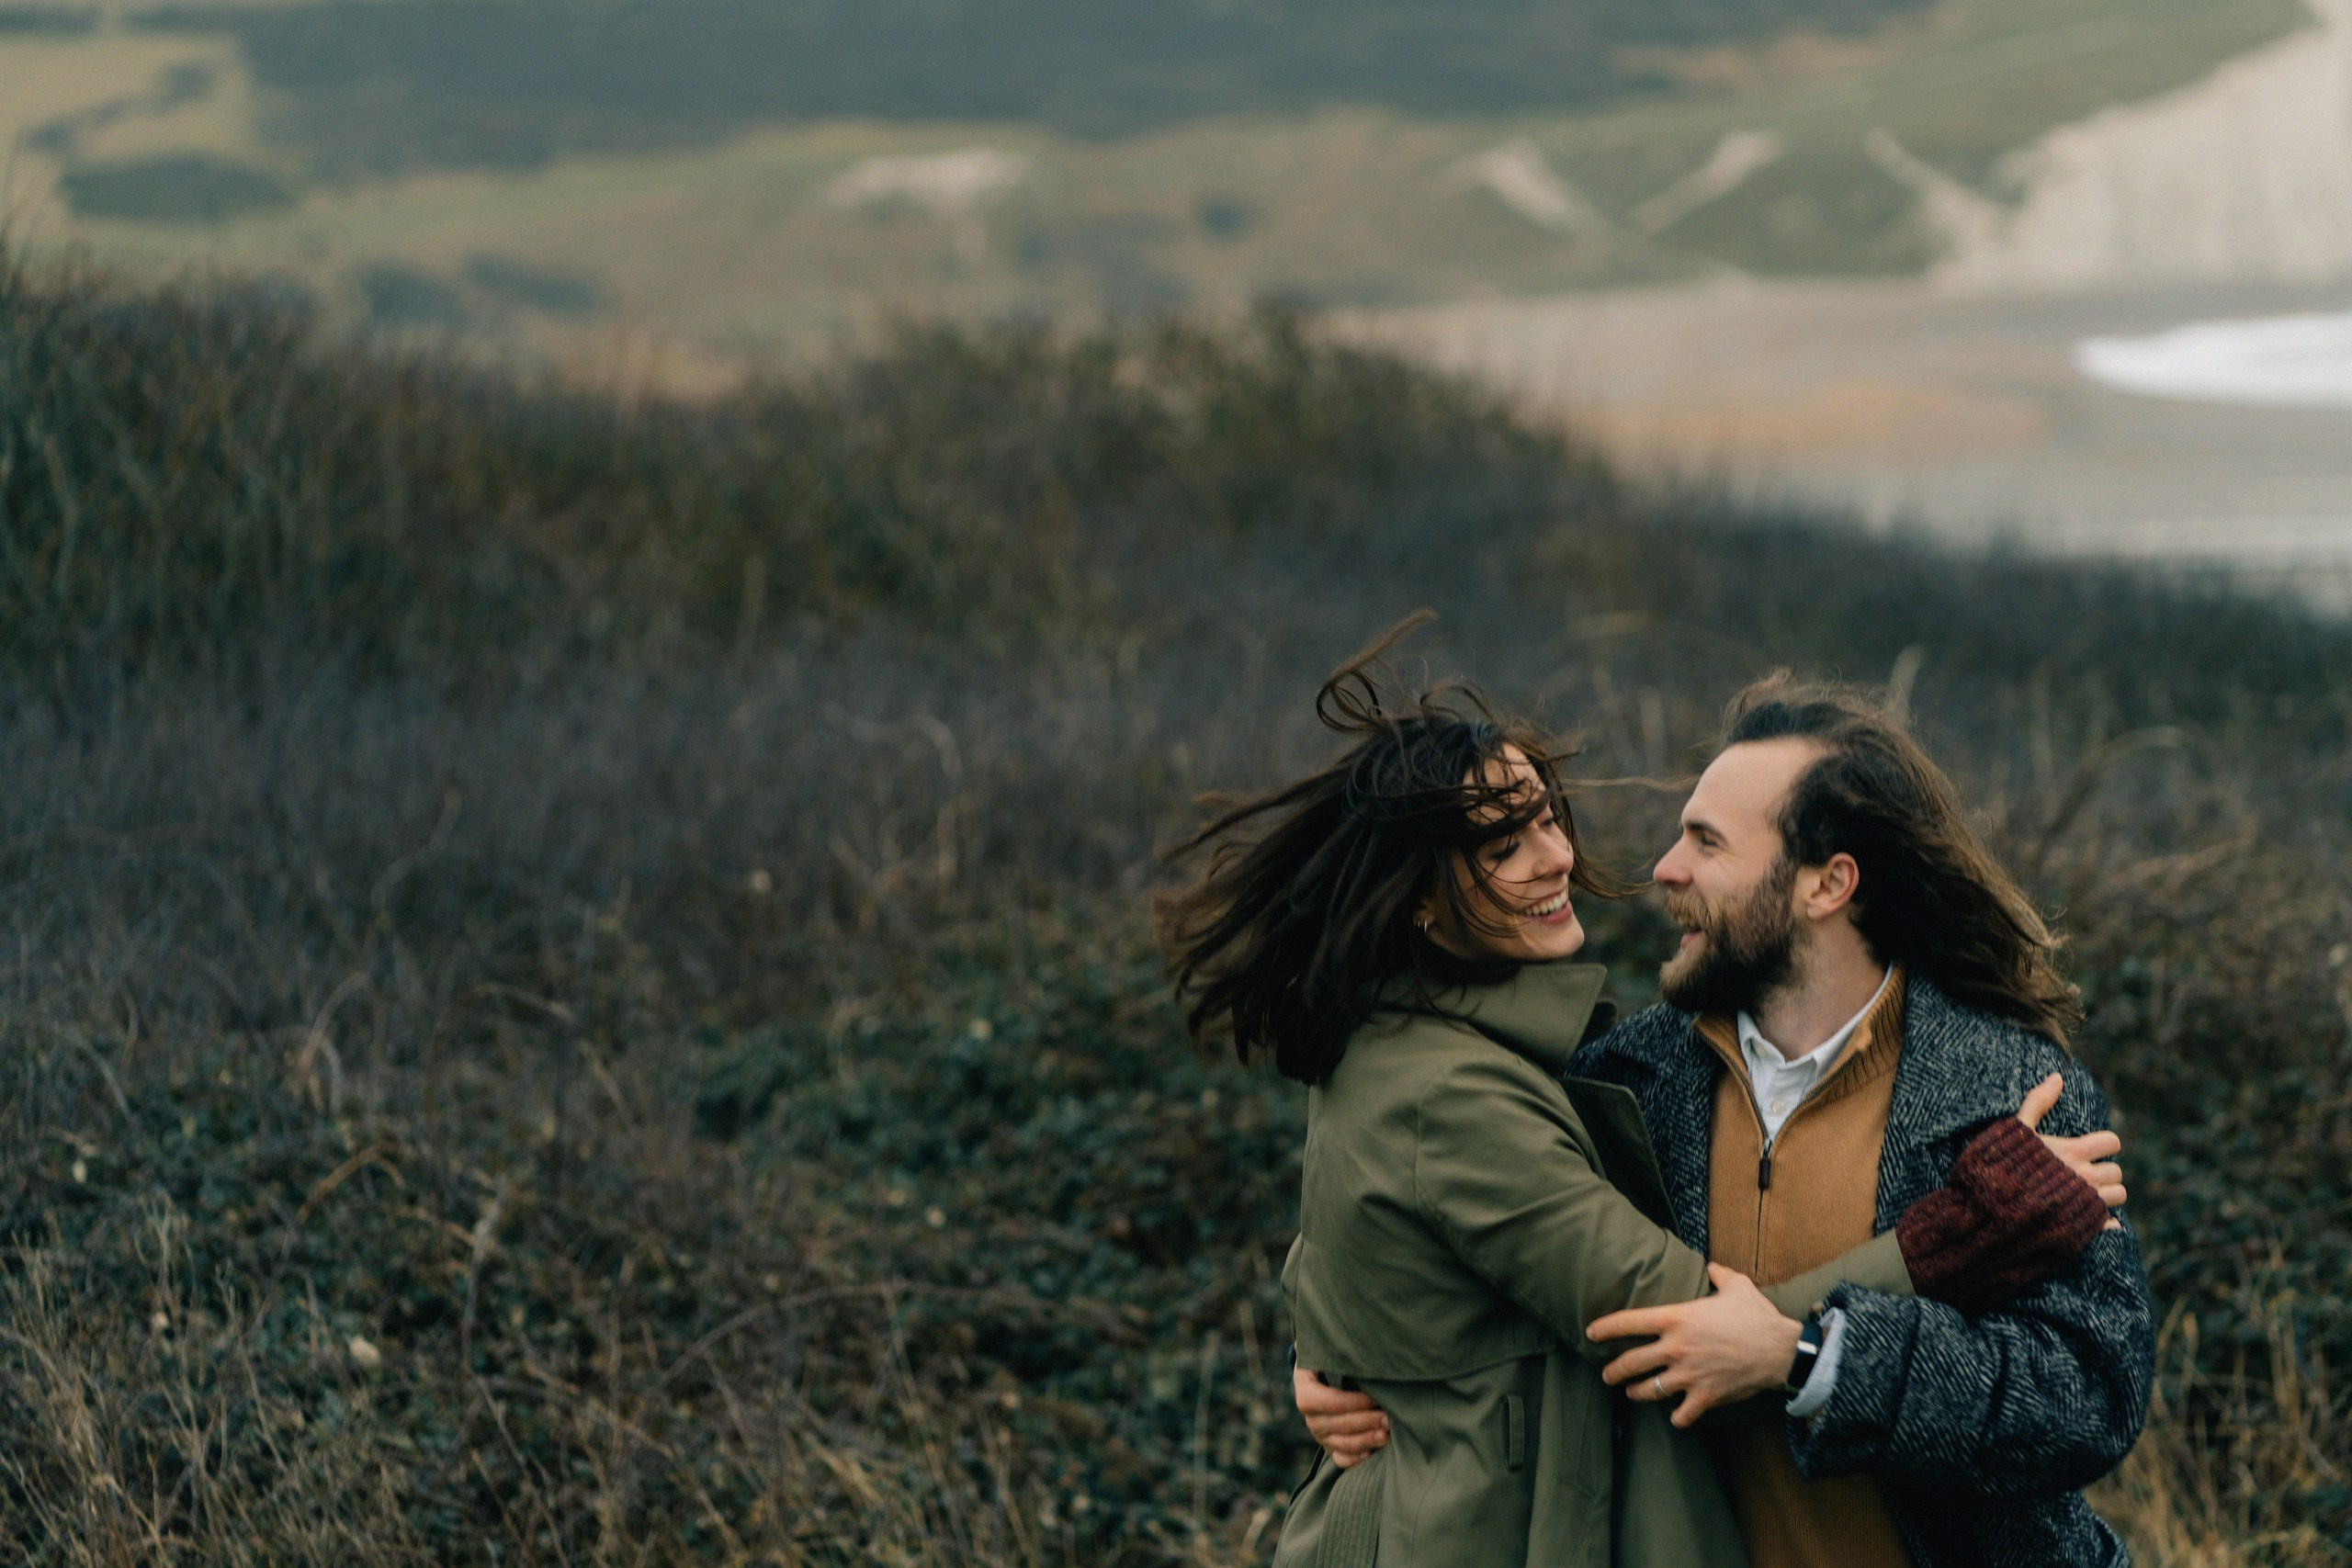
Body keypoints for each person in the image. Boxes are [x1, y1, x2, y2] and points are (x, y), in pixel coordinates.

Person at [1160, 621, 2122, 1568]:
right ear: (1421, 896)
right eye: (1504, 842)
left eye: (1704, 842)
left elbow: (2090, 1400)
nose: (1626, 863)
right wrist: (1339, 1349)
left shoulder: (2010, 1097)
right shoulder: (1634, 1078)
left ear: (1827, 883)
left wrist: (1820, 1360)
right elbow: (1630, 1310)